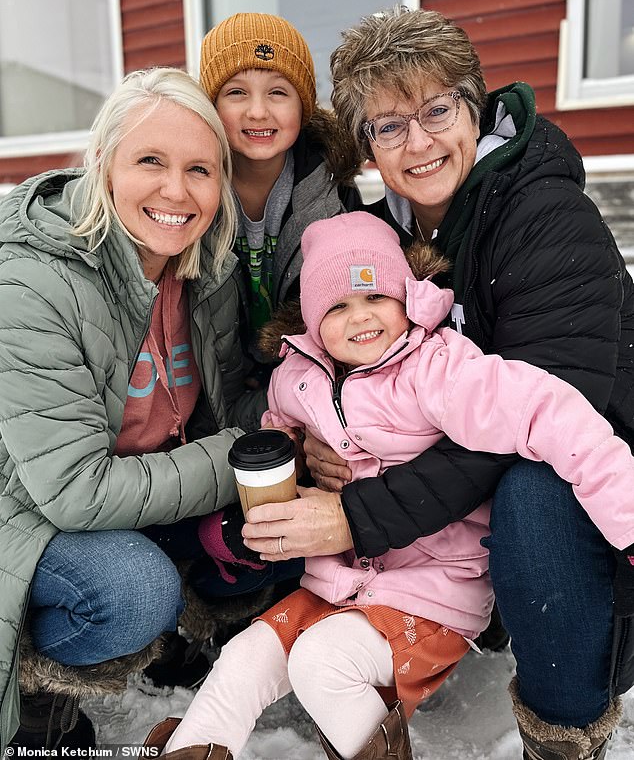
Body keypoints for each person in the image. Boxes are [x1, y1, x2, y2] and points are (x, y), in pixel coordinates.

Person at [240, 7, 634, 759]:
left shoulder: (547, 221)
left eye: (436, 109)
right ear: (367, 147)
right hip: (453, 495)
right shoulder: (381, 238)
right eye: (388, 126)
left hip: (595, 471)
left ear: (475, 106)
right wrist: (327, 434)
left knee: (532, 493)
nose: (417, 141)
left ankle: (563, 726)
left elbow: (539, 419)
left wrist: (357, 512)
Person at [146, 212, 631, 760]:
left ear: (407, 298)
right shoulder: (298, 376)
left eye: (376, 296)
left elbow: (552, 414)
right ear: (311, 321)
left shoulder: (437, 368)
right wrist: (290, 461)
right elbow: (278, 428)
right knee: (244, 658)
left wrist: (629, 522)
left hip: (432, 593)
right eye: (337, 306)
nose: (361, 318)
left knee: (321, 662)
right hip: (337, 583)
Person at [0, 67, 267, 752]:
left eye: (200, 169)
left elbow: (225, 401)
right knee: (132, 590)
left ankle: (185, 647)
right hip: (28, 510)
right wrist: (241, 453)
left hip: (143, 487)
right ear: (102, 165)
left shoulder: (205, 267)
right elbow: (73, 492)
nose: (177, 191)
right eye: (150, 160)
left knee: (278, 524)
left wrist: (299, 425)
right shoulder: (34, 280)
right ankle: (41, 696)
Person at [189, 12, 361, 603]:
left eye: (278, 92)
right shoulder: (188, 194)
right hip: (215, 402)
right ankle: (219, 595)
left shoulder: (332, 194)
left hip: (310, 400)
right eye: (236, 92)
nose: (258, 112)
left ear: (304, 106)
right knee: (224, 538)